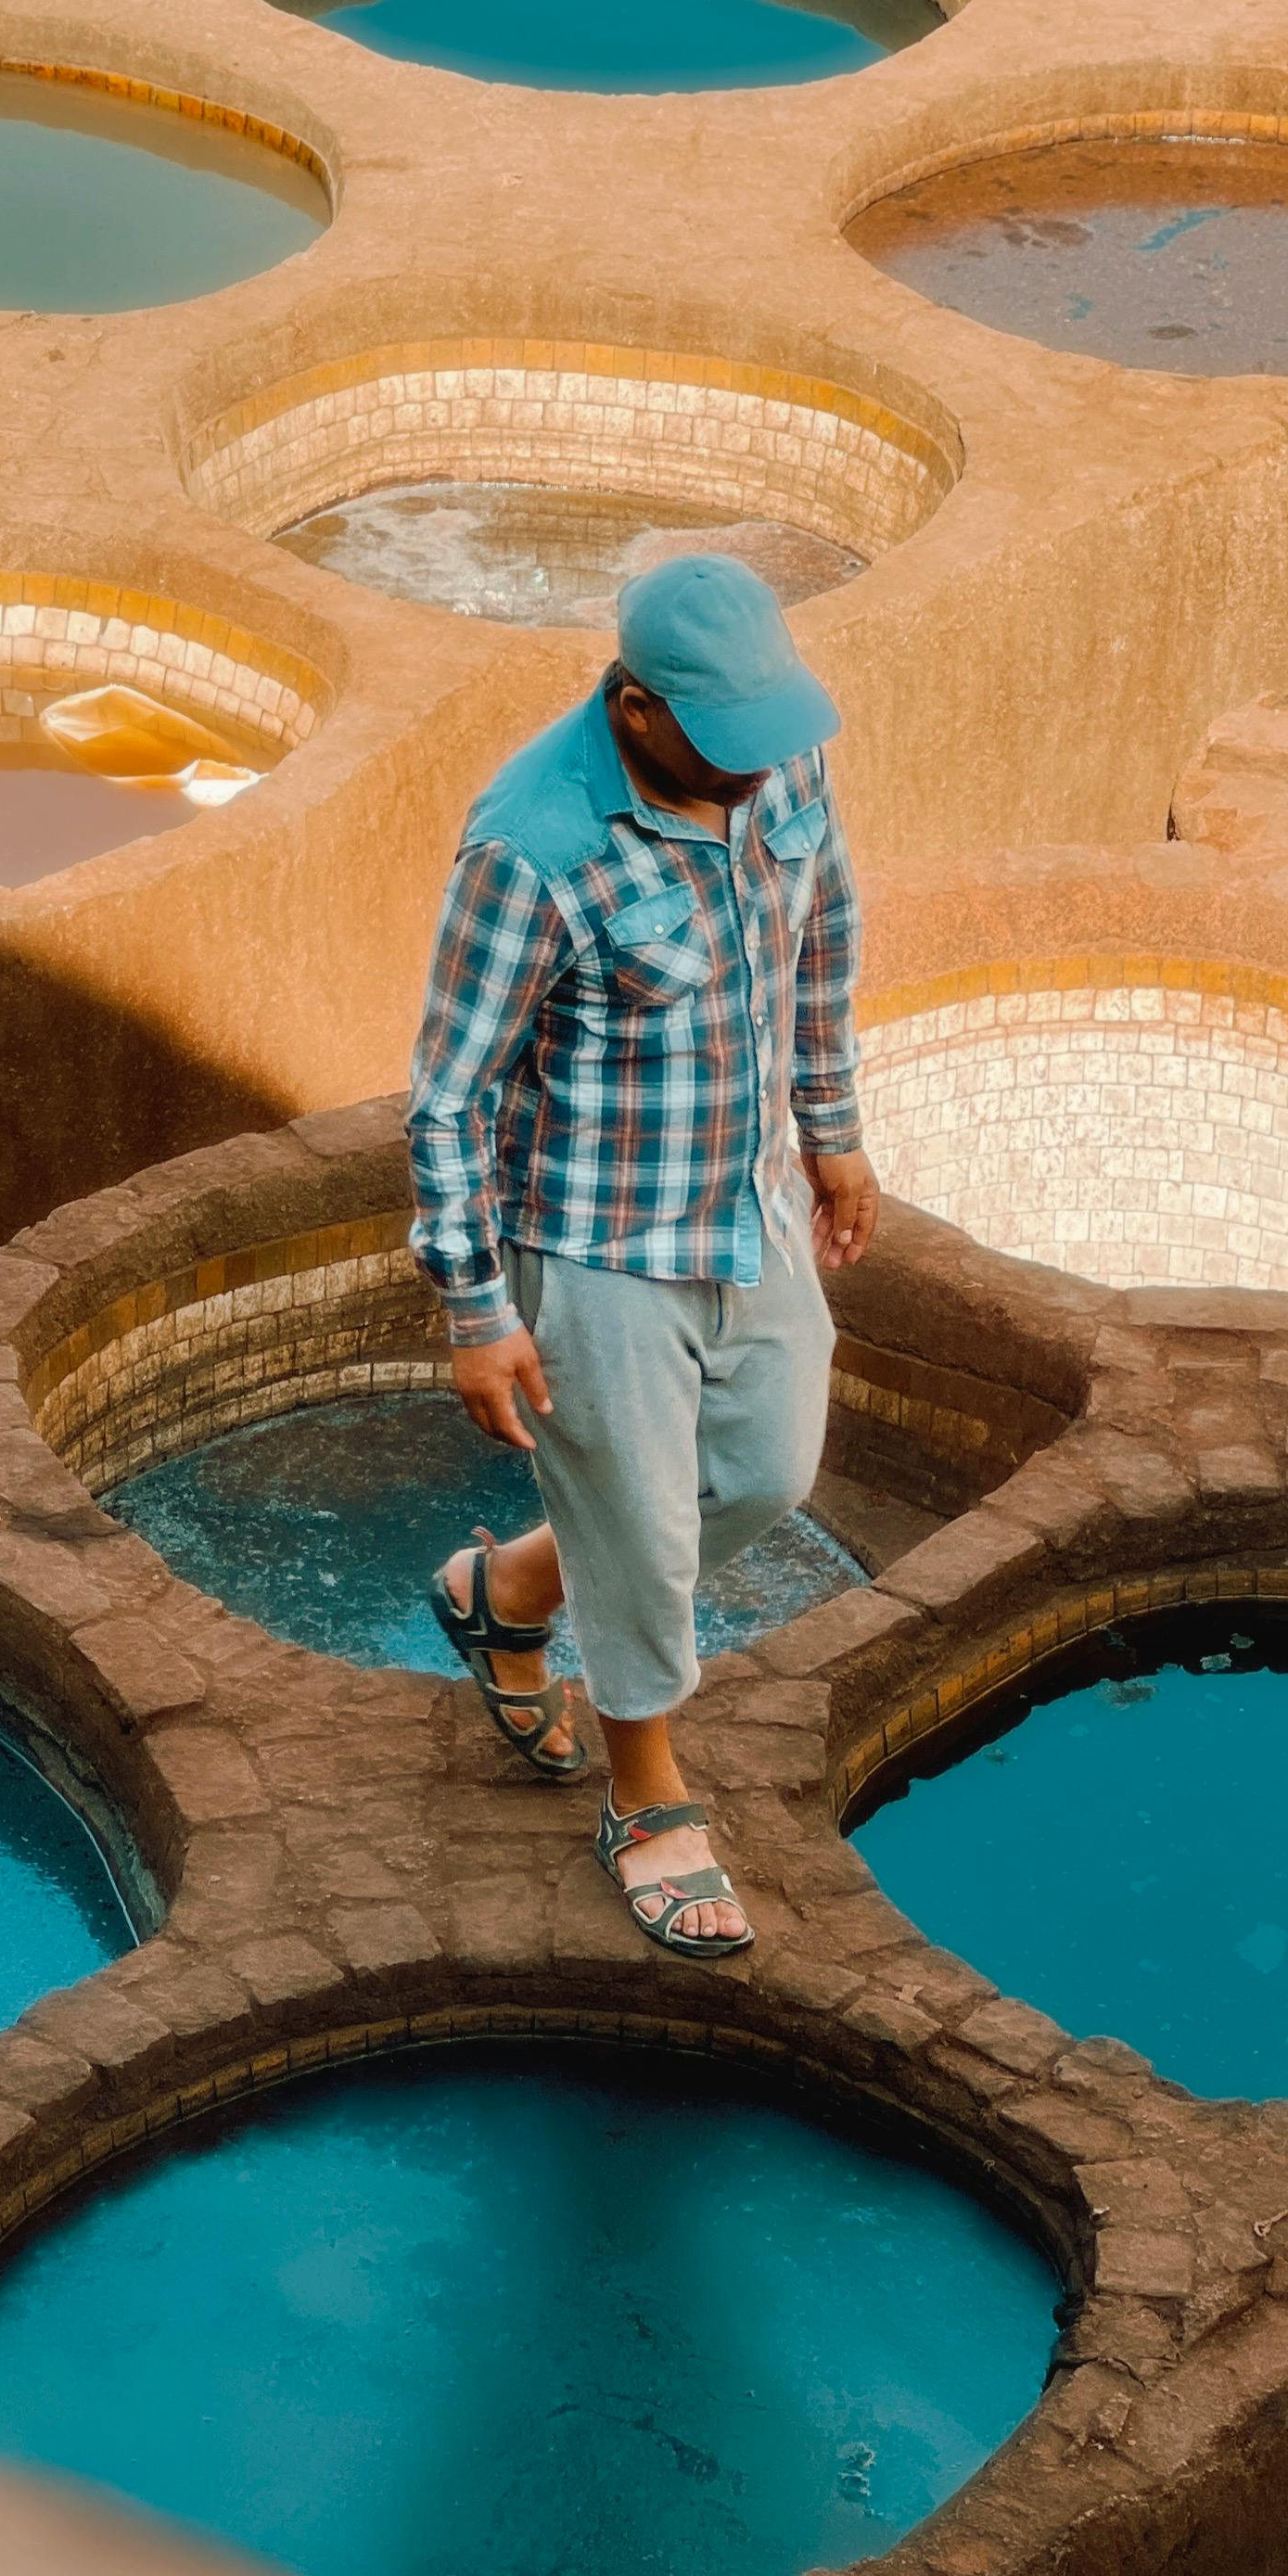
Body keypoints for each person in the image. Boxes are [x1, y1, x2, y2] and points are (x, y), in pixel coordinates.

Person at [408, 552, 879, 1959]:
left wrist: (833, 1129)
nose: (754, 777)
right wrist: (476, 1307)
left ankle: (512, 1590)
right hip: (597, 1240)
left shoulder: (768, 763)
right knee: (649, 1534)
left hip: (747, 1201)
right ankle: (646, 1798)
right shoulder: (534, 843)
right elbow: (453, 1095)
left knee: (769, 1471)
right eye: (719, 749)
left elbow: (822, 940)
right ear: (633, 709)